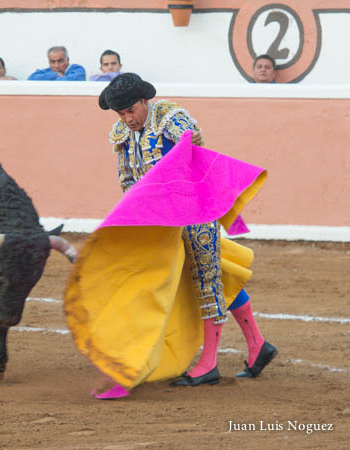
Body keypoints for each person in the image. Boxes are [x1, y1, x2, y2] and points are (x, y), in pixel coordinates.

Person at [91, 73, 277, 398]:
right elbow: (128, 182)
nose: (127, 119)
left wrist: (183, 152)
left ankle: (209, 364)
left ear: (144, 101)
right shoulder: (121, 134)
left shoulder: (169, 117)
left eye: (131, 110)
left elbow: (194, 145)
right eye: (121, 113)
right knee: (208, 275)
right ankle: (257, 344)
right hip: (159, 221)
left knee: (206, 278)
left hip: (194, 211)